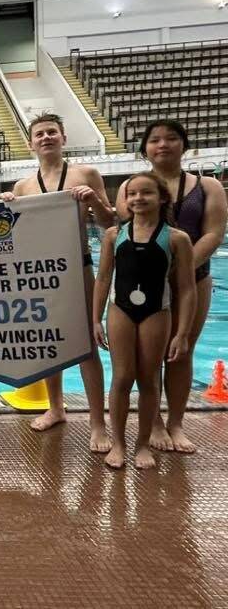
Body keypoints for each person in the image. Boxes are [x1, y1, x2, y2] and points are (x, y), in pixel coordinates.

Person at [0, 113, 114, 452]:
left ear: (63, 138)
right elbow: (13, 238)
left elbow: (109, 223)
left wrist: (93, 201)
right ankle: (56, 407)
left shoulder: (85, 175)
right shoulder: (23, 187)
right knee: (49, 342)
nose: (46, 137)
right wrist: (5, 208)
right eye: (40, 134)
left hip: (78, 266)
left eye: (52, 132)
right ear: (31, 143)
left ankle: (97, 422)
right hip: (40, 273)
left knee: (86, 345)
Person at [116, 120, 227, 454]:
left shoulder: (207, 186)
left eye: (171, 138)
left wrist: (180, 268)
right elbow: (125, 230)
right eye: (155, 140)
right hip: (147, 285)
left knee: (182, 351)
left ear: (184, 145)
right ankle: (154, 423)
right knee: (148, 359)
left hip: (194, 278)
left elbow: (214, 232)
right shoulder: (131, 187)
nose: (163, 144)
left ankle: (176, 423)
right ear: (145, 149)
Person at [93, 172, 195, 469]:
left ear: (162, 198)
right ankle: (119, 443)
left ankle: (142, 445)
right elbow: (103, 278)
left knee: (149, 379)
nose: (138, 198)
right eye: (132, 193)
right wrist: (96, 319)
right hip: (120, 311)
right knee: (122, 377)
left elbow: (187, 289)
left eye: (146, 192)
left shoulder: (177, 238)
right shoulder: (114, 235)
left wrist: (182, 333)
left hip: (157, 312)